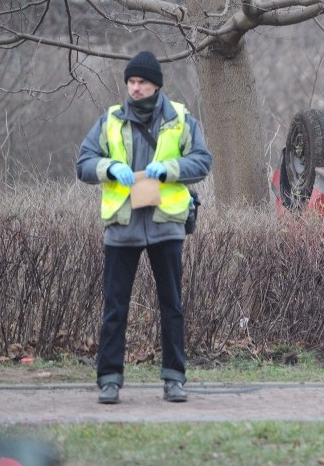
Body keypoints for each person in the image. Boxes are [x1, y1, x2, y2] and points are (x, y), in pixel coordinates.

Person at [76, 51, 212, 404]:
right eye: (131, 82)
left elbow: (202, 161)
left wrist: (170, 168)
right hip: (122, 226)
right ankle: (109, 379)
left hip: (166, 224)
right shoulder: (109, 120)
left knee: (172, 306)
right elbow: (84, 163)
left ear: (156, 86)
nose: (135, 88)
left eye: (142, 82)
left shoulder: (180, 119)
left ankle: (174, 379)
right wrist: (108, 168)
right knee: (114, 307)